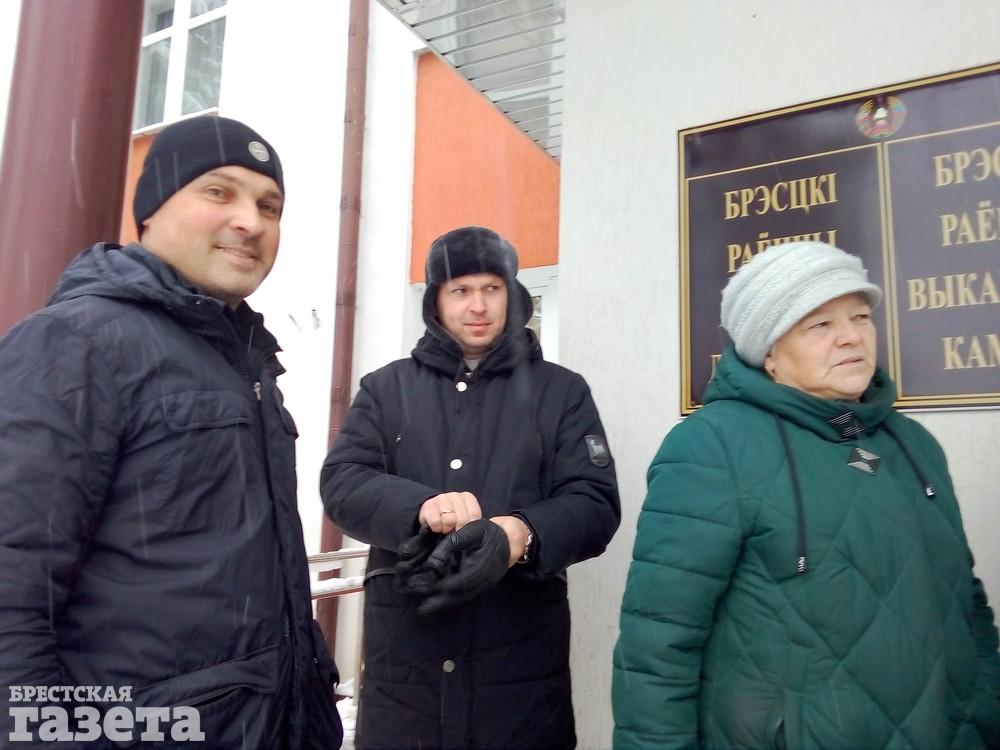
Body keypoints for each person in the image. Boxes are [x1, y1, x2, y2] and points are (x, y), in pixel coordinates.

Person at [0, 116, 343, 748]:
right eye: (218, 192)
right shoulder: (74, 343)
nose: (250, 221)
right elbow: (11, 586)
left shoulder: (247, 361)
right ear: (152, 210)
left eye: (269, 206)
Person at [612, 240, 1000, 749]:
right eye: (819, 324)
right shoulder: (712, 447)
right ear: (769, 353)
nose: (851, 336)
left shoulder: (914, 444)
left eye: (860, 317)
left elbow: (965, 601)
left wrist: (986, 712)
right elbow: (659, 639)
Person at [321, 226, 621, 750]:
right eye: (460, 290)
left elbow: (594, 502)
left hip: (519, 679)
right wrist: (419, 507)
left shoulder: (561, 392)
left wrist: (519, 534)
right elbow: (343, 481)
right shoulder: (386, 389)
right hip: (406, 677)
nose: (477, 306)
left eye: (491, 289)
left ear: (513, 295)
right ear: (436, 301)